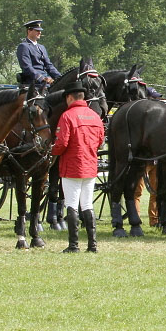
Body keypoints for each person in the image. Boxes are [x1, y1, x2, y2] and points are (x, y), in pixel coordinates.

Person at [52, 83, 106, 252]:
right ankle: (92, 245)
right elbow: (100, 141)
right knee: (87, 205)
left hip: (72, 166)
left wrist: (51, 150)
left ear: (69, 97)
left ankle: (73, 245)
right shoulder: (94, 116)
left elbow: (61, 143)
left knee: (72, 204)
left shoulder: (67, 116)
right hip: (89, 165)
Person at [16, 20, 61, 86]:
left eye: (40, 31)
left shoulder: (41, 47)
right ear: (29, 31)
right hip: (33, 82)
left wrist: (60, 78)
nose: (39, 33)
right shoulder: (23, 46)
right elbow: (27, 67)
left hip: (46, 81)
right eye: (37, 30)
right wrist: (42, 78)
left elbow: (49, 66)